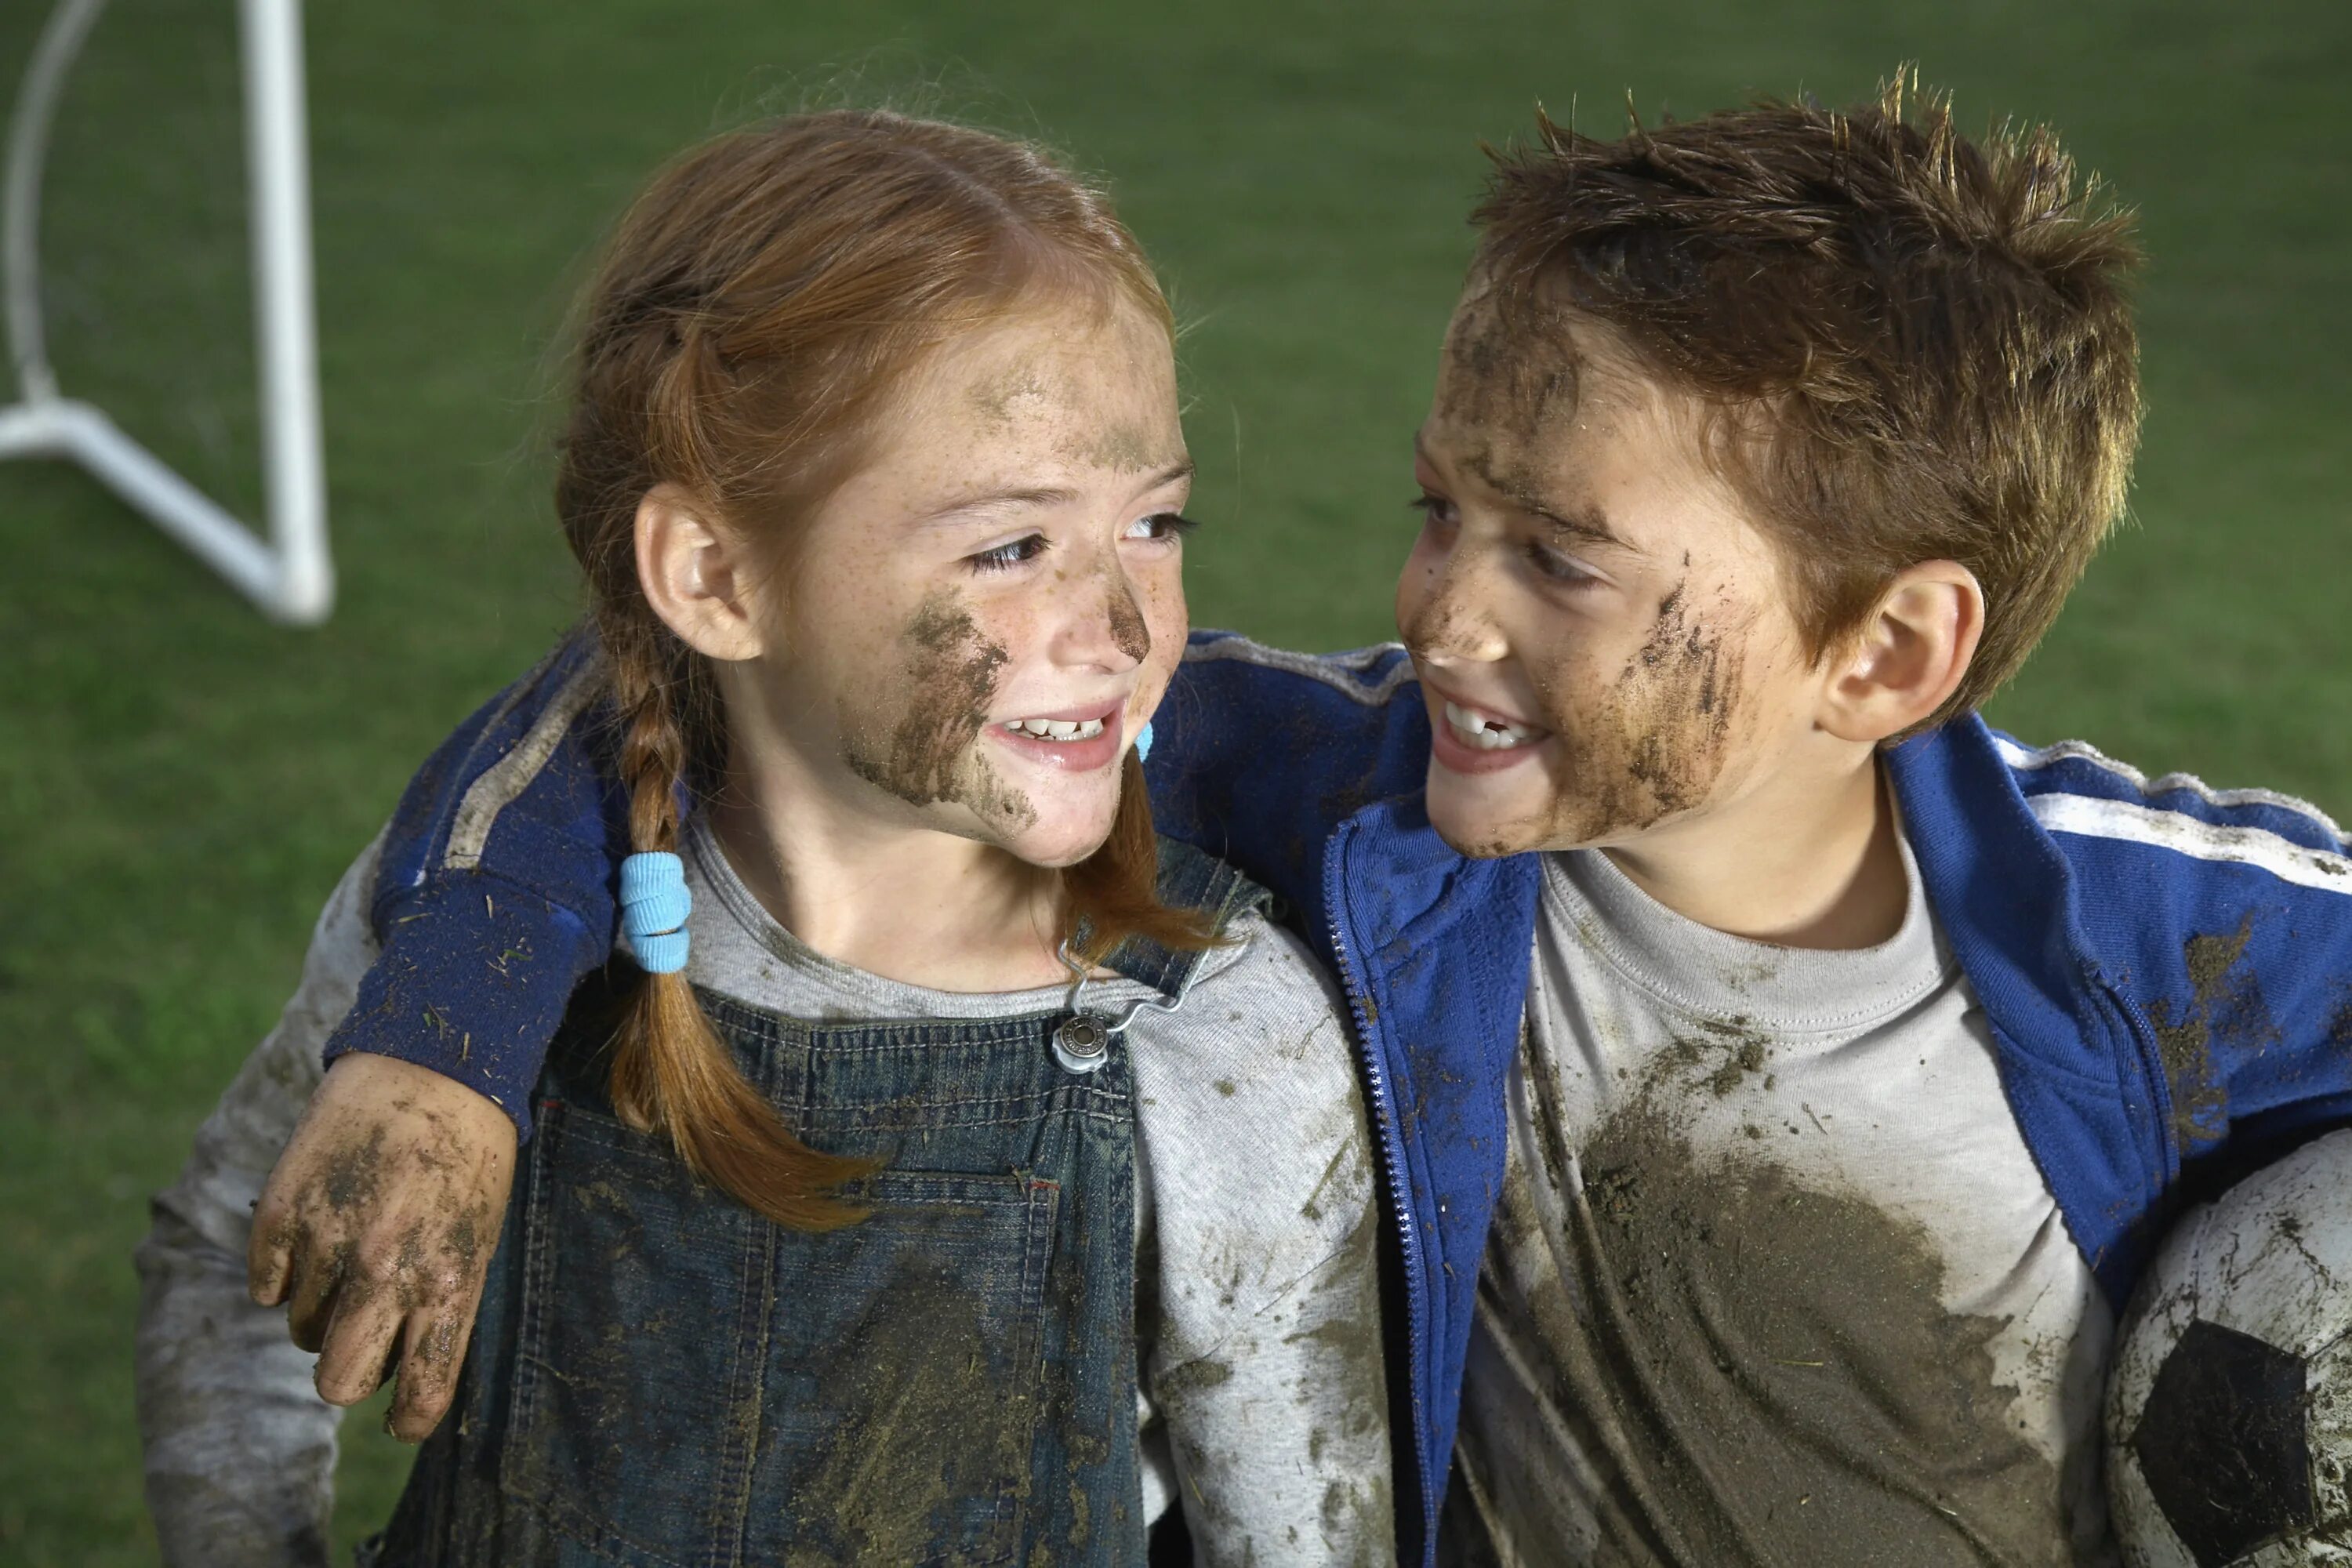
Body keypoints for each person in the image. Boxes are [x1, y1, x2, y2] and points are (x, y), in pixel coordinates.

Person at [215, 76, 2352, 1566]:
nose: (1441, 610)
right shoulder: (1331, 792)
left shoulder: (2167, 939)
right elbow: (711, 690)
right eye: (1444, 509)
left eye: (1562, 558)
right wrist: (452, 1023)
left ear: (1884, 659)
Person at [133, 111, 1394, 1567]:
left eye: (1157, 524)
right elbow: (234, 1260)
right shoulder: (476, 953)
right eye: (1010, 546)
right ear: (717, 577)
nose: (1124, 629)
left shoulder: (1227, 1038)